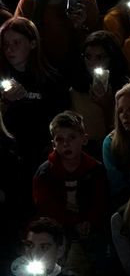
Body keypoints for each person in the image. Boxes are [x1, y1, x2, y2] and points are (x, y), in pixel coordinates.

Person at [32, 111, 109, 273]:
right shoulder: (45, 173)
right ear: (53, 144)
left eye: (72, 138)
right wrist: (72, 223)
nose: (66, 144)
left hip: (90, 227)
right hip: (59, 227)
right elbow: (46, 206)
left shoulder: (95, 170)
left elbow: (100, 201)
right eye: (60, 139)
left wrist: (89, 221)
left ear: (84, 139)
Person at [0, 17, 66, 166]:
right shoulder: (1, 77)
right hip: (8, 157)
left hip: (44, 157)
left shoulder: (52, 80)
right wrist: (5, 102)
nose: (9, 49)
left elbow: (61, 118)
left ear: (32, 43)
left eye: (16, 43)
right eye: (6, 44)